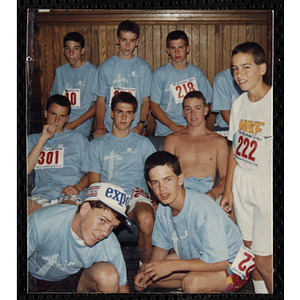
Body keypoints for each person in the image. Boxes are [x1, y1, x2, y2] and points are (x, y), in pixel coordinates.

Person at [134, 151, 248, 293]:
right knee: (148, 273)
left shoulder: (202, 209)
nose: (162, 188)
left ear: (180, 179)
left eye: (168, 179)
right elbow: (161, 246)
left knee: (191, 283)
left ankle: (201, 286)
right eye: (156, 183)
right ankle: (201, 284)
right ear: (150, 186)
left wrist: (172, 267)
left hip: (233, 266)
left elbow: (219, 262)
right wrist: (149, 271)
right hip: (200, 257)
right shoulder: (164, 207)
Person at [220, 42, 273, 293]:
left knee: (265, 259)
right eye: (234, 69)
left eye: (246, 67)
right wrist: (228, 190)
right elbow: (234, 149)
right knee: (250, 254)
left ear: (262, 68)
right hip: (242, 181)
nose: (239, 74)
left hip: (266, 185)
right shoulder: (239, 103)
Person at [82, 92, 156, 263]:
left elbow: (155, 176)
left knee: (146, 219)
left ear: (134, 116)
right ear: (111, 113)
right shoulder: (97, 144)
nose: (124, 117)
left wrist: (155, 202)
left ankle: (145, 269)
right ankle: (97, 265)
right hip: (107, 196)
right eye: (119, 111)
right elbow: (94, 183)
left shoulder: (144, 144)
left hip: (134, 196)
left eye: (129, 113)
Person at [27, 182, 130, 293]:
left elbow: (122, 287)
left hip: (70, 281)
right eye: (102, 220)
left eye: (112, 227)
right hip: (30, 277)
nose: (105, 232)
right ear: (84, 209)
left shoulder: (109, 242)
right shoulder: (43, 221)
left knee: (108, 276)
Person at [27, 94, 89, 215]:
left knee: (64, 215)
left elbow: (91, 172)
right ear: (45, 113)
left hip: (69, 195)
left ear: (67, 119)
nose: (56, 121)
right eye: (53, 114)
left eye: (62, 116)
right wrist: (43, 138)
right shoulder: (32, 139)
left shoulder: (78, 138)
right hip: (41, 196)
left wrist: (78, 187)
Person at [163, 90, 229, 203]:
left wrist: (214, 193)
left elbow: (225, 177)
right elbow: (164, 174)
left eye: (197, 108)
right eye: (188, 109)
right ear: (183, 113)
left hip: (208, 194)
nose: (193, 113)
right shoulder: (172, 140)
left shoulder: (219, 141)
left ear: (206, 110)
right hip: (180, 194)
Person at [91, 20, 152, 137]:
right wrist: (99, 126)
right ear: (117, 40)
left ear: (137, 42)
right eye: (124, 40)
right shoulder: (106, 67)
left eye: (132, 41)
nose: (127, 45)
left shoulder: (144, 68)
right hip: (110, 128)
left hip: (135, 128)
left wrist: (140, 124)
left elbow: (145, 100)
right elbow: (100, 100)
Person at [150, 30, 213, 136]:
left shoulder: (197, 74)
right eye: (173, 48)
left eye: (181, 47)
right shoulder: (160, 74)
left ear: (188, 49)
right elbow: (154, 107)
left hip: (193, 131)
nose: (177, 52)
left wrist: (195, 125)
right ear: (168, 50)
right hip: (166, 132)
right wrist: (174, 127)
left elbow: (206, 104)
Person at [50, 32, 97, 137]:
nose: (71, 53)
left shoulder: (92, 71)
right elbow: (53, 101)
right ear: (63, 50)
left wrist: (74, 124)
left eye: (75, 49)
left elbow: (98, 104)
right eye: (67, 49)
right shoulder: (60, 71)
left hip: (81, 126)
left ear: (82, 51)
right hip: (59, 123)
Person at [211, 68, 243, 136]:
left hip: (248, 129)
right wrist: (242, 133)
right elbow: (226, 115)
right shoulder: (222, 79)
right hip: (226, 127)